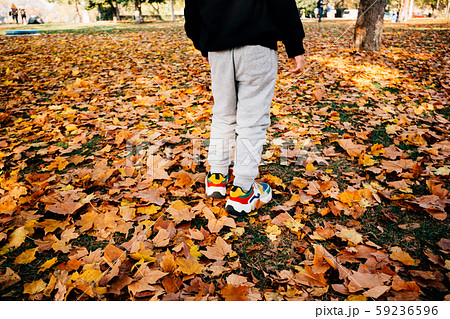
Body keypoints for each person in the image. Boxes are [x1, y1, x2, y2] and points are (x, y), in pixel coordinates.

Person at [184, 0, 306, 215]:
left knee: (223, 114)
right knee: (252, 120)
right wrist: (294, 44)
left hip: (218, 47)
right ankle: (243, 189)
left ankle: (216, 178)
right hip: (257, 46)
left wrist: (203, 43)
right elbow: (282, 3)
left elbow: (192, 10)